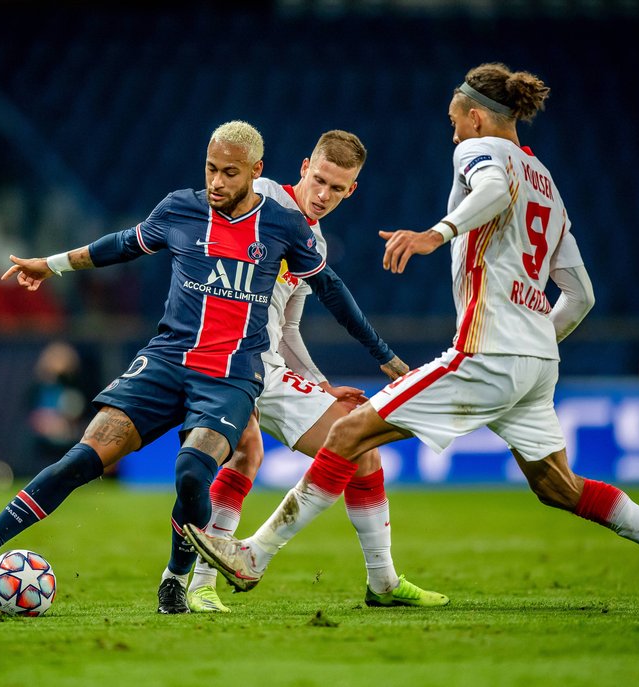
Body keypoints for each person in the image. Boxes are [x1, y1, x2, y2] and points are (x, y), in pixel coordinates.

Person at [185, 63, 639, 613]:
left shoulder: (481, 152)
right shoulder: (546, 184)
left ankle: (255, 554)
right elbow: (582, 295)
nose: (451, 132)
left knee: (352, 433)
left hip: (486, 349)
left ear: (475, 117)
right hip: (537, 359)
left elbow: (491, 188)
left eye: (454, 121)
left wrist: (436, 233)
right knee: (558, 486)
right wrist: (535, 341)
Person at [0, 121, 408, 614]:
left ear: (255, 173)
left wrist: (381, 357)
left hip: (230, 375)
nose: (217, 182)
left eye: (229, 173)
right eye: (211, 169)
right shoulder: (181, 206)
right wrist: (50, 264)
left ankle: (178, 580)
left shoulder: (287, 228)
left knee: (191, 472)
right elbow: (120, 245)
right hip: (165, 361)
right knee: (84, 458)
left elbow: (329, 295)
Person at [184, 130, 446, 613]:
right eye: (320, 180)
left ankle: (383, 581)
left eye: (338, 188)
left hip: (268, 365)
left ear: (352, 191)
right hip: (229, 358)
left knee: (359, 444)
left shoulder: (314, 240)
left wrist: (319, 382)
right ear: (304, 167)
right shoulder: (261, 199)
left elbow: (286, 325)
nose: (324, 195)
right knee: (247, 453)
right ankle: (201, 581)